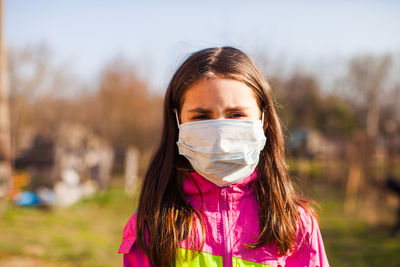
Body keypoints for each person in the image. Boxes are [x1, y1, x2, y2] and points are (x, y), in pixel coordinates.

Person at [118, 47, 330, 267]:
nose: (220, 134)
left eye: (236, 114)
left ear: (263, 119)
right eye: (202, 116)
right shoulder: (151, 225)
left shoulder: (297, 224)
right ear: (178, 122)